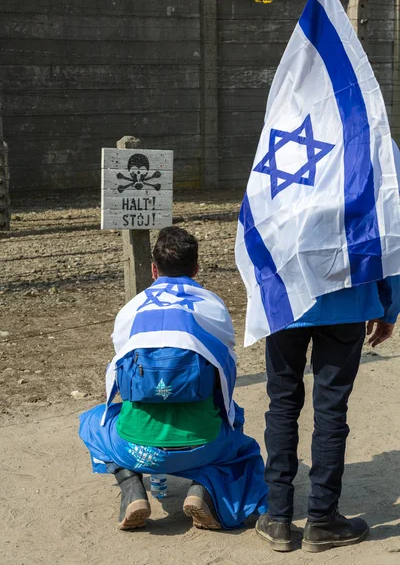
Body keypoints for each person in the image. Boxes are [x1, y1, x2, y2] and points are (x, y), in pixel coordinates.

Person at [79, 226, 268, 531]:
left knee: (90, 421)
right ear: (196, 267)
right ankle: (203, 488)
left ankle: (131, 486)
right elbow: (225, 370)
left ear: (154, 269)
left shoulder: (130, 310)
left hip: (134, 447)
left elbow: (122, 378)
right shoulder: (213, 307)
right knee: (241, 442)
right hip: (203, 445)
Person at [255, 277, 400, 553]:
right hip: (347, 297)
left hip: (284, 298)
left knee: (282, 405)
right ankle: (322, 519)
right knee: (331, 409)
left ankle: (278, 517)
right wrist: (387, 308)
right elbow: (383, 243)